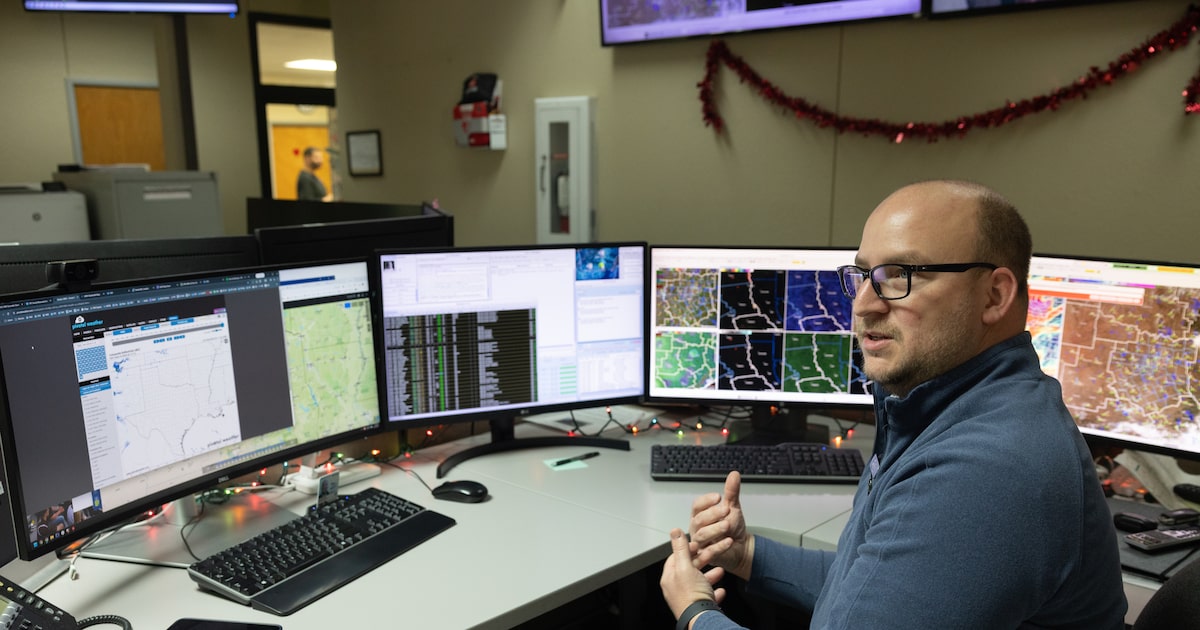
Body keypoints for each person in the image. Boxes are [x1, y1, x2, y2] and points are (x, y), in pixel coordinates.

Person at [660, 180, 1127, 629]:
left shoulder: (986, 466)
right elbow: (873, 593)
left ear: (995, 294)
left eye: (900, 275)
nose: (863, 305)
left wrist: (696, 612)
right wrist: (746, 556)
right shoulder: (941, 410)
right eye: (864, 275)